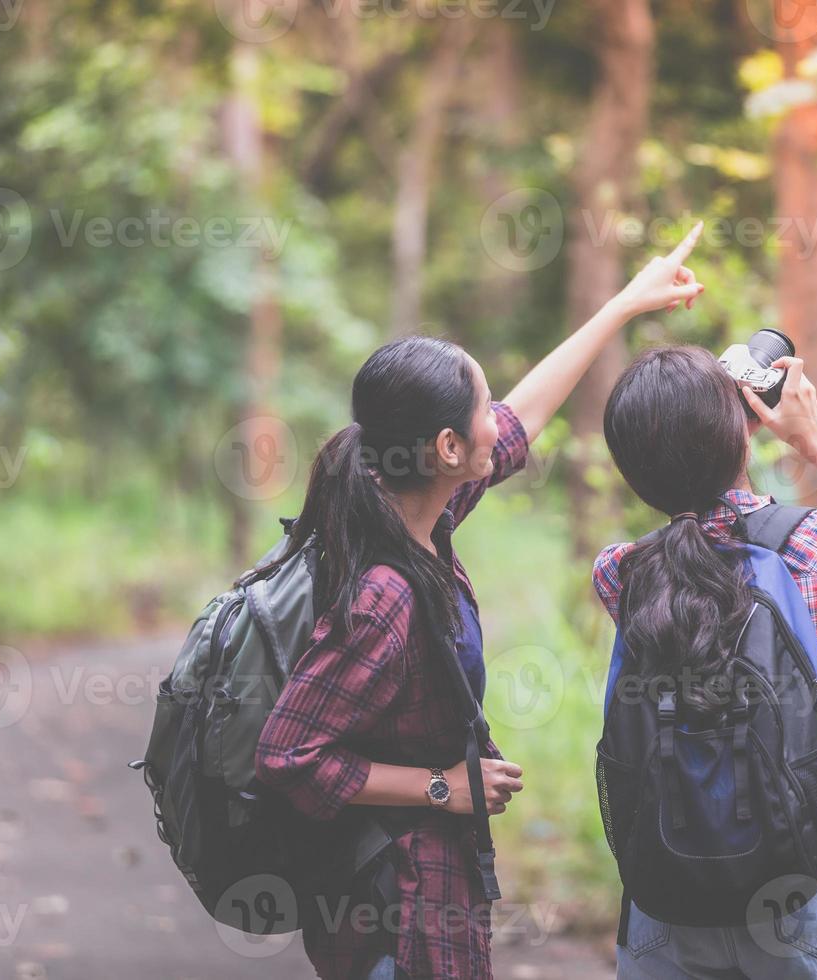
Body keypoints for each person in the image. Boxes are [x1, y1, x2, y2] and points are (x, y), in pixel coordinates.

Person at [254, 223, 708, 980]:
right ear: (445, 450)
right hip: (394, 924)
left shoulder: (416, 518)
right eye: (482, 405)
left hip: (427, 909)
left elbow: (525, 416)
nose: (496, 417)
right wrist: (443, 788)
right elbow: (289, 757)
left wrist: (625, 305)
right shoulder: (386, 594)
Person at [592, 346, 817, 979]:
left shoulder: (622, 572)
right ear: (741, 438)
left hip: (665, 884)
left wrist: (714, 439)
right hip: (798, 881)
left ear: (630, 470)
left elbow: (695, 527)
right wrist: (814, 438)